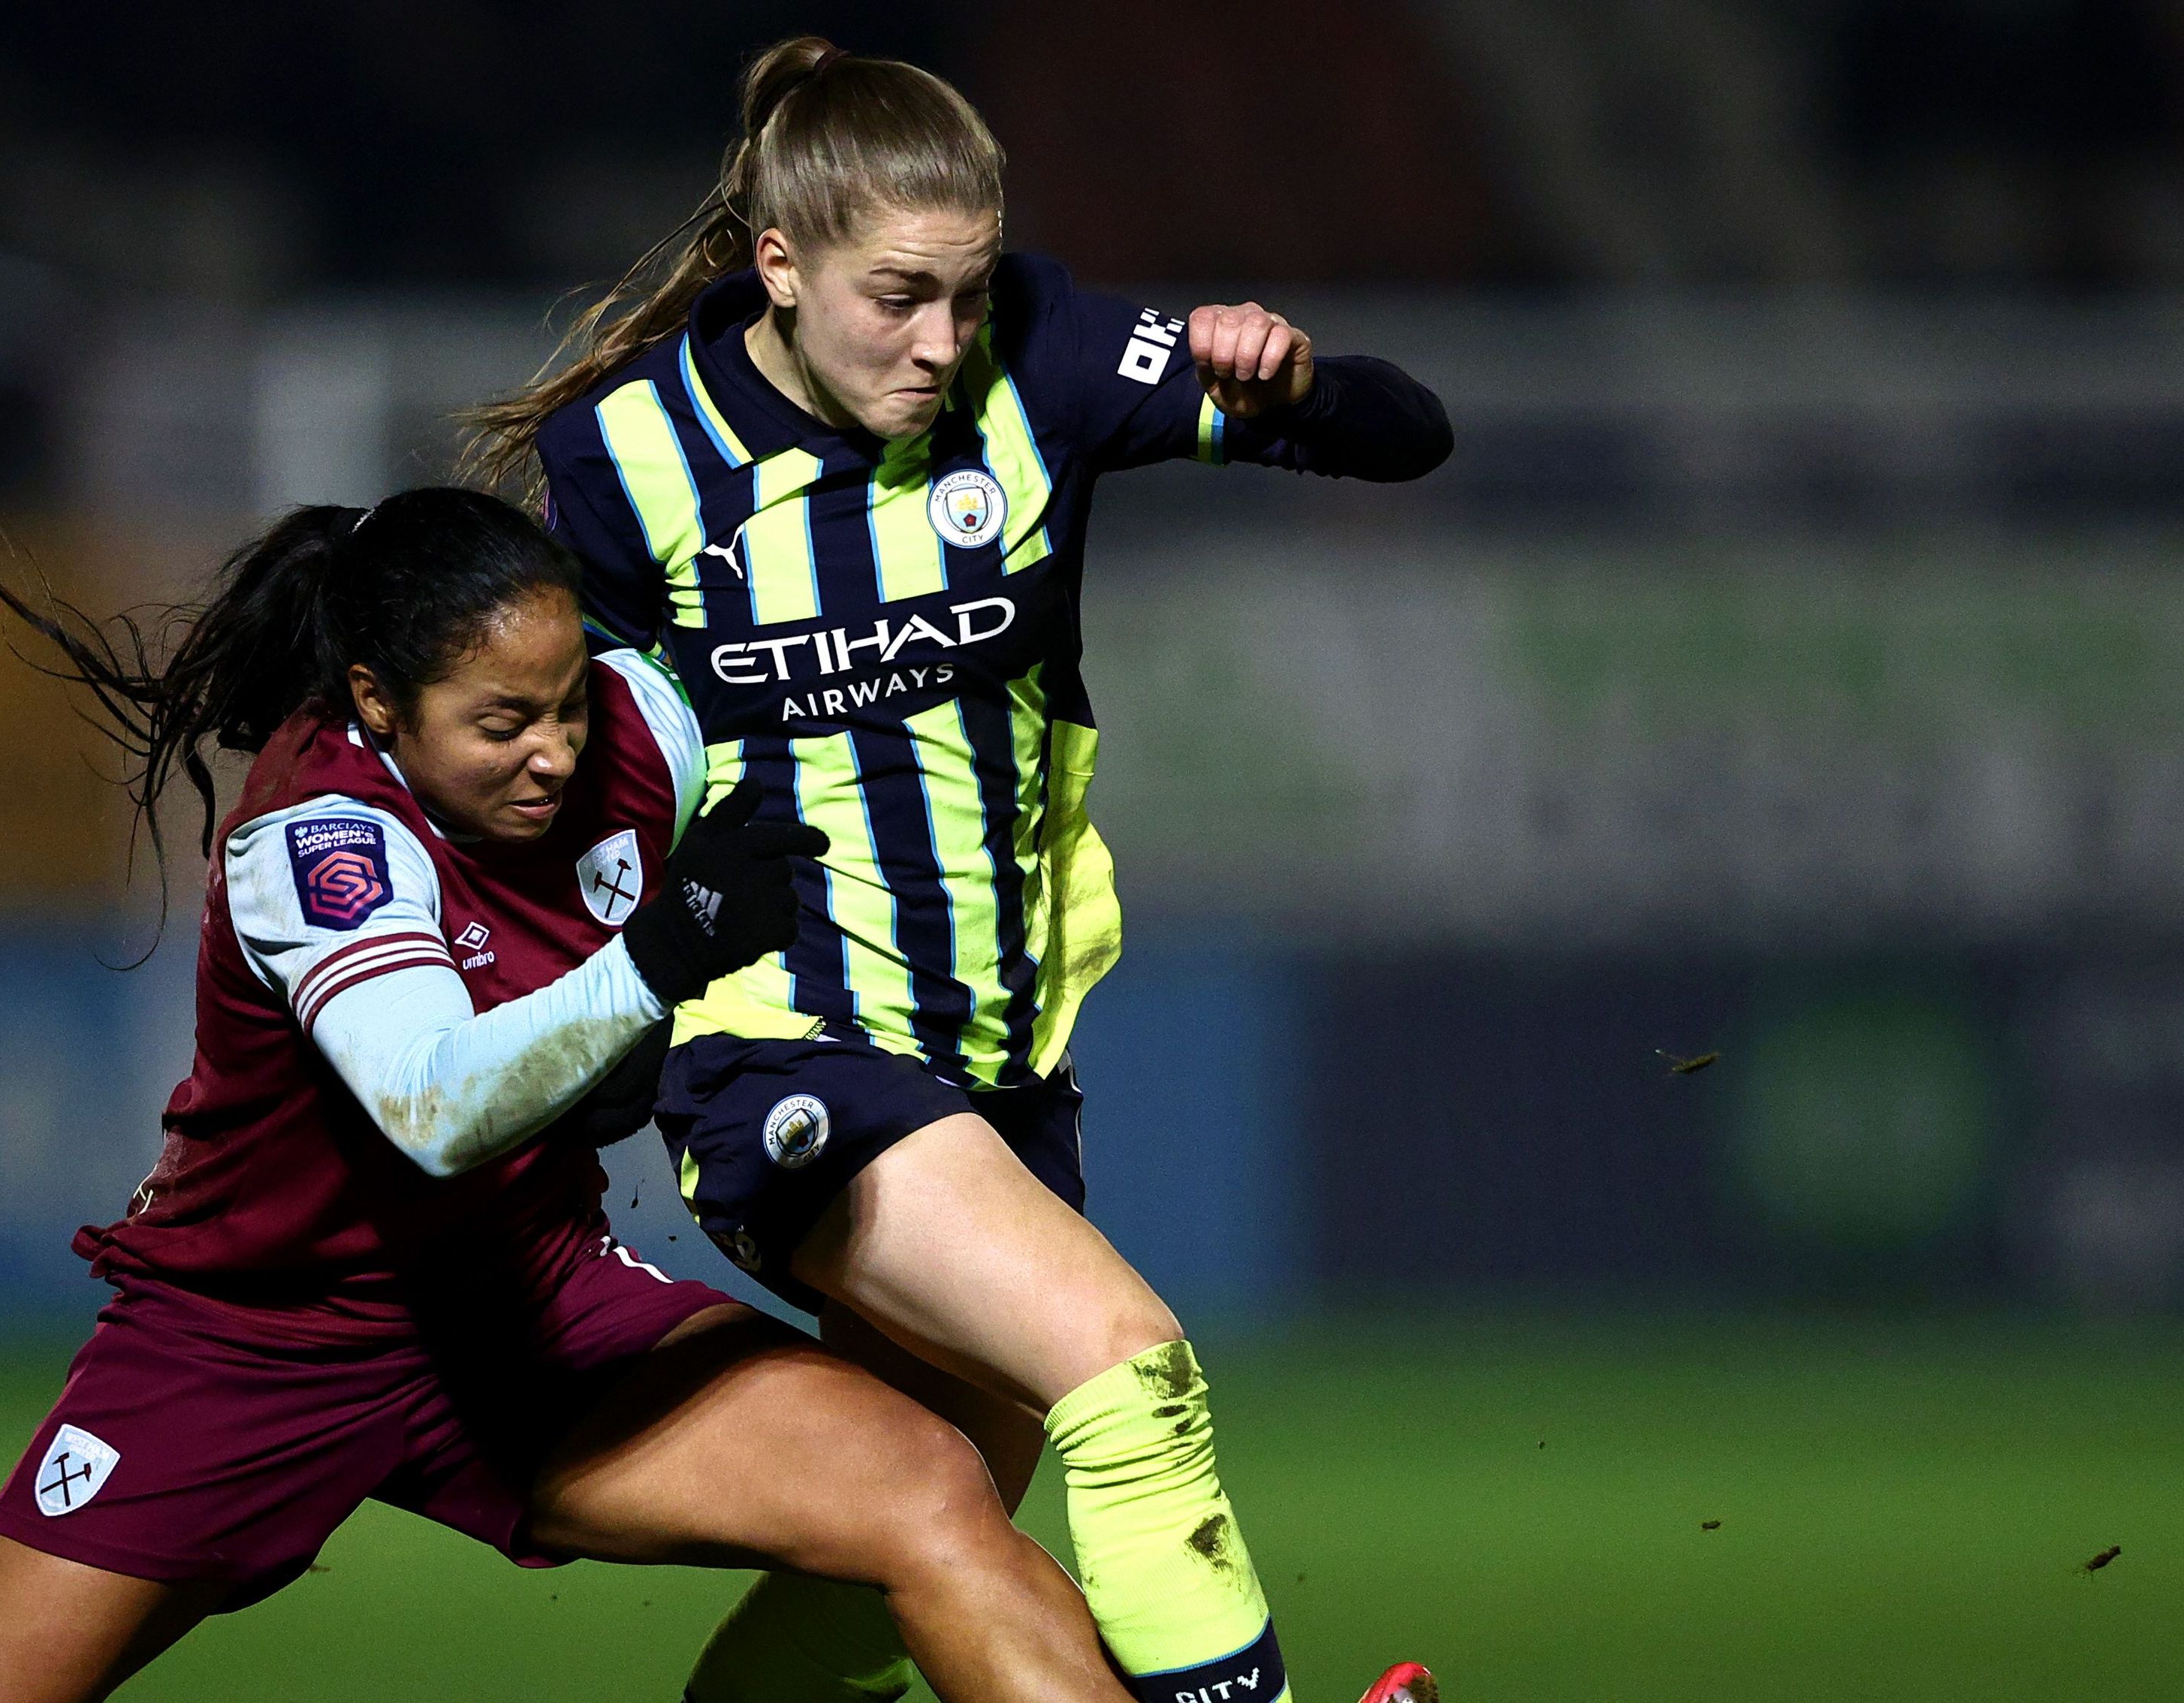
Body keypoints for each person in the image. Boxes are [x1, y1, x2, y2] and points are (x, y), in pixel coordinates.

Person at [466, 38, 1453, 1703]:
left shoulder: (1038, 356)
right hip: (778, 1052)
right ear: (778, 266)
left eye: (968, 291)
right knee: (1130, 1378)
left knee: (925, 1517)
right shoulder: (620, 463)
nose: (939, 343)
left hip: (996, 1068)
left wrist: (1296, 389)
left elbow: (1407, 437)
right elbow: (567, 786)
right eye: (897, 297)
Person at [0, 487, 1139, 1703]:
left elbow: (823, 752)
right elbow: (432, 1108)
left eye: (567, 702)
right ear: (379, 702)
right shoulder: (319, 840)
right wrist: (657, 964)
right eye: (502, 723)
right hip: (256, 1340)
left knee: (925, 1487)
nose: (554, 752)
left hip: (525, 1306)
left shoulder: (642, 726)